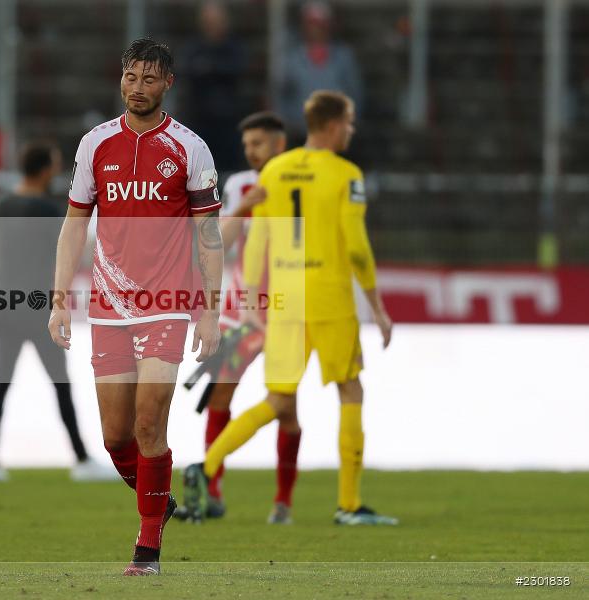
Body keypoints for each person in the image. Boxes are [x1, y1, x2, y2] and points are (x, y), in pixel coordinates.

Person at [183, 90, 398, 526]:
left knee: (278, 399)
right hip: (329, 298)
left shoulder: (275, 173)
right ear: (335, 125)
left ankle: (204, 467)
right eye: (348, 126)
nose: (349, 133)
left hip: (282, 302)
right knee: (350, 389)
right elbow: (356, 247)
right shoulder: (346, 173)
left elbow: (257, 241)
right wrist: (376, 305)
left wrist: (251, 302)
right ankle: (350, 505)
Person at [49, 38, 223, 575]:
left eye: (149, 79)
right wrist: (60, 301)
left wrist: (211, 310)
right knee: (115, 436)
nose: (137, 88)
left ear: (167, 83)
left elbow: (208, 234)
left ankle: (147, 549)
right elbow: (74, 226)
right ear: (120, 78)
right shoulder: (94, 145)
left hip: (168, 304)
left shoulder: (190, 149)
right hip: (108, 305)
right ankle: (161, 499)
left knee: (150, 424)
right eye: (130, 77)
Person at [173, 111, 296, 524]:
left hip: (285, 314)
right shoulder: (242, 184)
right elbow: (218, 242)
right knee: (220, 398)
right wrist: (243, 207)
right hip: (240, 313)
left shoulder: (300, 182)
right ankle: (211, 488)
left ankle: (283, 501)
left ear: (279, 145)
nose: (251, 151)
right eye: (247, 145)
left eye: (258, 143)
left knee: (286, 407)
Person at [0, 141, 115, 484]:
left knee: (1, 381)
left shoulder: (1, 203)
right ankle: (82, 460)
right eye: (54, 166)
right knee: (60, 383)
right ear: (43, 170)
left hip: (6, 303)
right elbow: (75, 249)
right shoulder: (47, 208)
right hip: (37, 305)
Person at [181, 1, 247, 172]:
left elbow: (236, 69)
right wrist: (215, 70)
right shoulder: (193, 47)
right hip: (200, 120)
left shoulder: (234, 46)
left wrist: (208, 68)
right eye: (208, 21)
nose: (212, 26)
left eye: (216, 21)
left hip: (228, 121)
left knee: (228, 171)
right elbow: (187, 70)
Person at [277, 2, 363, 132]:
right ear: (303, 26)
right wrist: (287, 121)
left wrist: (348, 122)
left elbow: (356, 93)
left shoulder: (344, 56)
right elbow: (280, 94)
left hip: (334, 131)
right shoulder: (291, 58)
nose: (315, 29)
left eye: (320, 24)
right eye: (311, 23)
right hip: (300, 130)